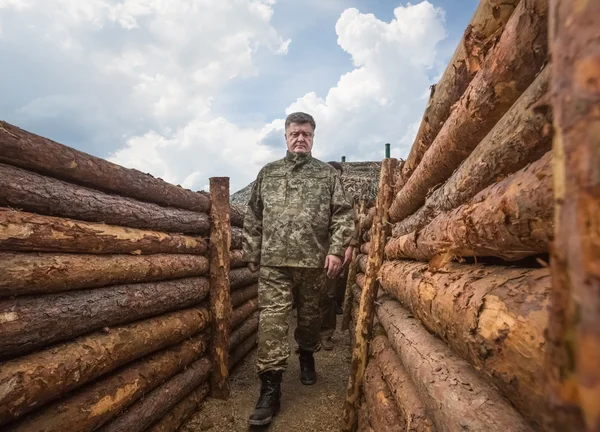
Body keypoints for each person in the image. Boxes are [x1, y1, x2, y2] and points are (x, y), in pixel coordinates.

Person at [242, 112, 354, 427]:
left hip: (313, 263)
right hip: (274, 263)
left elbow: (343, 215)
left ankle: (306, 353)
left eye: (306, 133)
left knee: (309, 320)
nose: (300, 138)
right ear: (286, 136)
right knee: (272, 323)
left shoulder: (326, 175)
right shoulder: (269, 173)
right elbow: (254, 214)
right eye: (295, 133)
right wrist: (251, 251)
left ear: (313, 137)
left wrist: (335, 250)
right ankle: (270, 388)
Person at [319, 161, 357, 350]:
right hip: (311, 252)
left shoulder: (347, 198)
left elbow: (351, 223)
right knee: (309, 295)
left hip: (334, 251)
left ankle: (326, 334)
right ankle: (308, 338)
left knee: (329, 294)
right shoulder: (314, 194)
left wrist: (349, 246)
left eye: (338, 174)